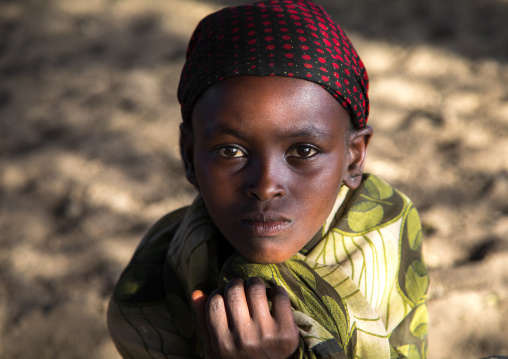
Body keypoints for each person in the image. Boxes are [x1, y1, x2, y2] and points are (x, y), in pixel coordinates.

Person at [107, 1, 429, 358]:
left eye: (304, 151)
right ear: (189, 155)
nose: (265, 185)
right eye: (230, 151)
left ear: (353, 156)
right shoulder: (158, 272)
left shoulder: (384, 229)